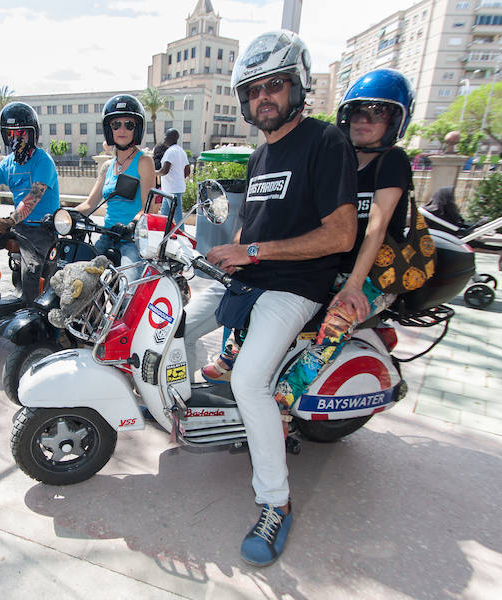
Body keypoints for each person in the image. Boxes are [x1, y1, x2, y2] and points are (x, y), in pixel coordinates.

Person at [184, 30, 357, 566]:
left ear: (298, 86)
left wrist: (252, 252)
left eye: (275, 85)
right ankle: (190, 415)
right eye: (254, 89)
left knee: (248, 379)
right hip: (250, 277)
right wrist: (212, 253)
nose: (264, 98)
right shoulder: (260, 157)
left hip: (295, 287)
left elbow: (341, 234)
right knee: (174, 322)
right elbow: (247, 233)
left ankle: (274, 502)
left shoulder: (326, 143)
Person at [270, 68, 415, 417]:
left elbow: (376, 229)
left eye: (378, 114)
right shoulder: (342, 158)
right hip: (334, 268)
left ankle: (283, 402)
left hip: (374, 276)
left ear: (394, 121)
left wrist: (352, 286)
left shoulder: (392, 161)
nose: (364, 122)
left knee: (337, 320)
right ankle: (236, 359)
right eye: (359, 113)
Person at [0, 101, 59, 302]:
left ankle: (32, 315)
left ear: (32, 134)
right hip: (19, 226)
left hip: (42, 229)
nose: (16, 138)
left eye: (22, 133)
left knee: (30, 272)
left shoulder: (43, 161)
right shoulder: (8, 163)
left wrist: (9, 221)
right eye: (11, 133)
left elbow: (32, 200)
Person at [73, 94, 156, 265]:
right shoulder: (107, 166)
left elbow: (149, 207)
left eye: (129, 125)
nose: (122, 130)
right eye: (116, 125)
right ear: (109, 129)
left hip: (133, 240)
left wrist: (131, 224)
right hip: (107, 236)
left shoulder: (144, 162)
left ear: (137, 129)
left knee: (129, 282)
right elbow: (90, 204)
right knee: (79, 274)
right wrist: (65, 215)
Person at [156, 128, 190, 224]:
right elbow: (187, 171)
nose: (164, 139)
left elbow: (164, 171)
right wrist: (178, 178)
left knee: (177, 216)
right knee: (164, 215)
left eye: (166, 137)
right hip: (171, 189)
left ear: (171, 138)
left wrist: (153, 173)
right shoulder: (181, 151)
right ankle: (162, 234)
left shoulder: (170, 151)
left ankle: (182, 235)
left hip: (172, 190)